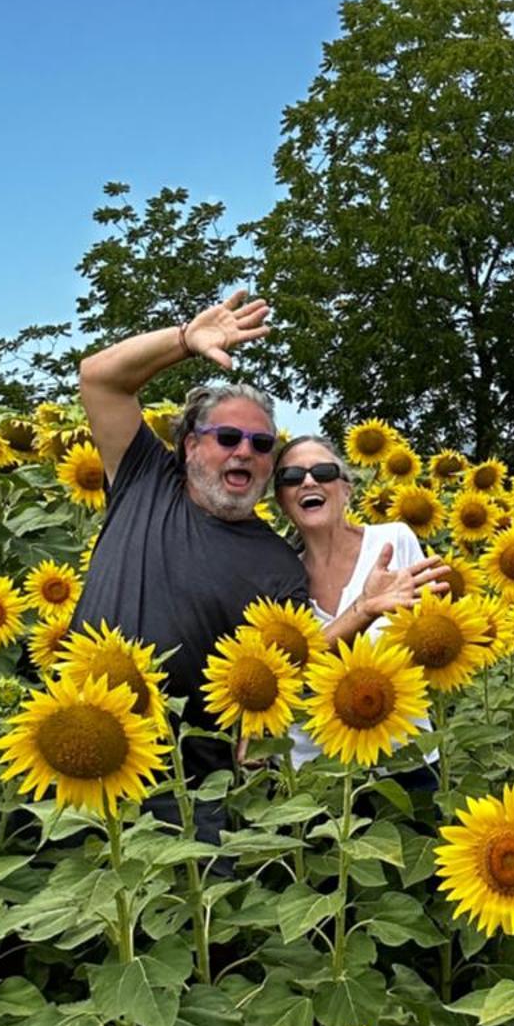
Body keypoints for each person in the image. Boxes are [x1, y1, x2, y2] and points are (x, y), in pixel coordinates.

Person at [72, 294, 436, 828]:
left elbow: (292, 668)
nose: (245, 451)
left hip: (192, 792)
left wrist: (358, 612)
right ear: (190, 446)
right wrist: (183, 341)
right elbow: (99, 378)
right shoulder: (145, 480)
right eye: (227, 437)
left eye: (262, 443)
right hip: (75, 744)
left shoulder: (277, 565)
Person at [273, 433, 447, 783]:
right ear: (281, 500)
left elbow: (429, 645)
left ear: (347, 489)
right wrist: (364, 609)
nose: (308, 480)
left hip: (402, 759)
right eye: (291, 477)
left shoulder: (393, 542)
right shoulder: (276, 572)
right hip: (314, 776)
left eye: (322, 472)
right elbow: (282, 676)